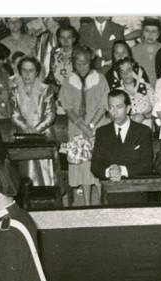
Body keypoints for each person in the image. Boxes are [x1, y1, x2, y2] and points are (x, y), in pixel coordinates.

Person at [58, 47, 108, 206]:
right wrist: (82, 126)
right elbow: (67, 107)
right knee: (85, 167)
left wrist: (91, 125)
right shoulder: (68, 81)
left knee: (99, 165)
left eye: (85, 64)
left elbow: (103, 105)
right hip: (77, 128)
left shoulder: (100, 79)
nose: (81, 67)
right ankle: (87, 203)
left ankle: (102, 202)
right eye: (78, 64)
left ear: (90, 63)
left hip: (98, 126)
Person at [90, 88, 154, 206]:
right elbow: (95, 166)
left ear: (128, 109)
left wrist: (122, 170)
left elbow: (147, 164)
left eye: (119, 107)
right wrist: (109, 172)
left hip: (136, 192)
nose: (114, 112)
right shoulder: (102, 132)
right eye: (111, 107)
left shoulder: (143, 131)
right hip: (110, 193)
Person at [10, 56, 57, 186]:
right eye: (24, 70)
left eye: (31, 70)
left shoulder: (46, 89)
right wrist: (26, 129)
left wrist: (35, 130)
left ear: (37, 72)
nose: (27, 74)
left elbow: (50, 115)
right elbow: (14, 115)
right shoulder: (14, 91)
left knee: (46, 175)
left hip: (43, 135)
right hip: (23, 136)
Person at [115, 58, 154, 124]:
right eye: (122, 72)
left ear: (135, 70)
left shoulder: (147, 87)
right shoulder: (117, 93)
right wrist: (129, 119)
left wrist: (144, 116)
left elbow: (158, 109)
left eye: (129, 70)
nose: (125, 74)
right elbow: (114, 115)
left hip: (148, 129)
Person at [132, 17, 161, 86]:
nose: (150, 34)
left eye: (154, 31)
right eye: (147, 31)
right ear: (142, 32)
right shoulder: (133, 50)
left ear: (158, 34)